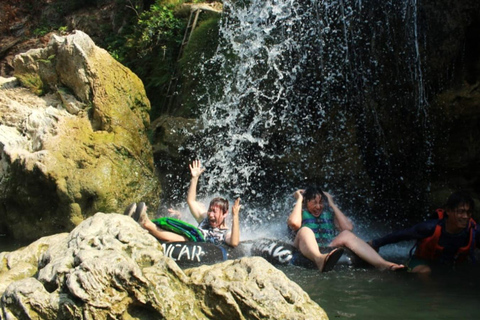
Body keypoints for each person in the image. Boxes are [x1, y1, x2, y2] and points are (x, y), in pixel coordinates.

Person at [125, 160, 241, 247]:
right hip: (185, 238)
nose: (211, 214)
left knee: (185, 238)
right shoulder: (204, 218)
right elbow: (191, 201)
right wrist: (194, 178)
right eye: (210, 210)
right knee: (176, 226)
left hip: (196, 246)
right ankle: (136, 219)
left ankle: (146, 223)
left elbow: (234, 242)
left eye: (214, 212)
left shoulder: (225, 232)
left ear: (225, 214)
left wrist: (235, 216)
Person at [287, 186, 404, 272]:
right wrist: (299, 199)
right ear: (306, 203)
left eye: (321, 202)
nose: (318, 207)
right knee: (305, 230)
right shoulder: (300, 211)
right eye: (314, 203)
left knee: (346, 234)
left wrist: (332, 204)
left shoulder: (328, 213)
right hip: (303, 246)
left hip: (326, 245)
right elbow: (294, 224)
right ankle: (319, 259)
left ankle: (382, 264)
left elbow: (348, 227)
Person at [369, 191, 479, 274]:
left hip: (451, 266)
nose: (465, 217)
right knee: (425, 271)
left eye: (469, 212)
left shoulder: (474, 232)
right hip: (421, 262)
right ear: (448, 211)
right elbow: (401, 235)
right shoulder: (430, 228)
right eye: (460, 212)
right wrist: (375, 243)